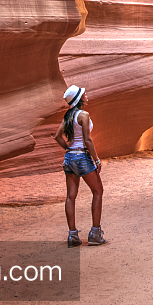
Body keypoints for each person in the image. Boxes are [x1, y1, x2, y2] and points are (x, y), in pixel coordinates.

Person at [54, 84, 106, 247]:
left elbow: (57, 136)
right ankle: (95, 233)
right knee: (98, 191)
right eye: (83, 94)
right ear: (79, 99)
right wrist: (96, 159)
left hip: (69, 158)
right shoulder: (83, 115)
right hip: (82, 157)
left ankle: (73, 235)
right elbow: (87, 140)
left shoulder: (68, 116)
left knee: (71, 196)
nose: (86, 95)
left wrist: (69, 149)